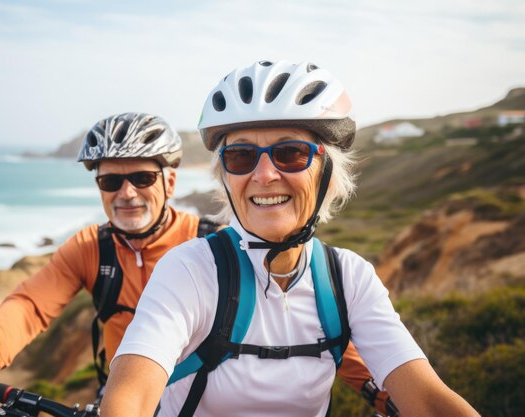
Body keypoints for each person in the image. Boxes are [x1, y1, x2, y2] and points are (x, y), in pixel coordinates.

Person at [0, 112, 390, 414]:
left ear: (170, 180)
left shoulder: (212, 244)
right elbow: (30, 304)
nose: (126, 193)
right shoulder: (90, 247)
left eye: (141, 177)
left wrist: (374, 386)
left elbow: (312, 321)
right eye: (111, 180)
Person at [101, 61, 481, 417]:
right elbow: (129, 398)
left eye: (291, 153)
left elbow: (428, 400)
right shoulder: (190, 270)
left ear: (327, 172)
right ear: (226, 177)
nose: (264, 174)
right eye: (241, 157)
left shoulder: (348, 278)